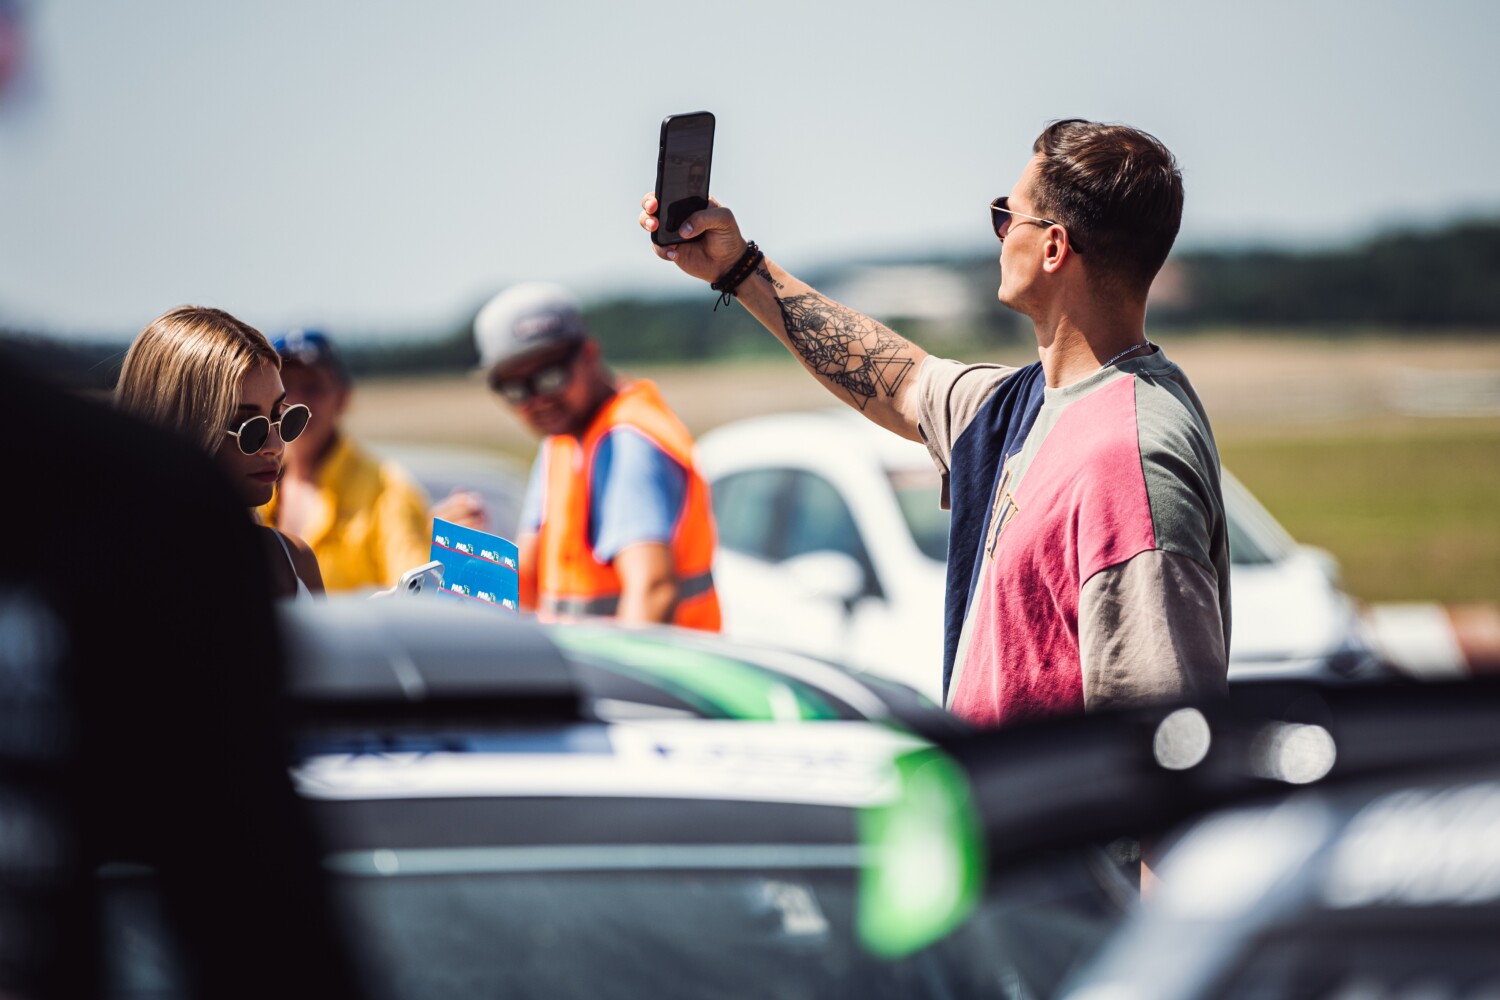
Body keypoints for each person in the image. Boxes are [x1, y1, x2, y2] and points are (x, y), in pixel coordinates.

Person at [639, 119, 1229, 725]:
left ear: (1053, 248)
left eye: (1008, 217)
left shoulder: (1126, 459)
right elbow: (895, 378)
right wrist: (738, 268)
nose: (1000, 235)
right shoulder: (1021, 405)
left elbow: (1158, 737)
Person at [0, 350, 361, 999]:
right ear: (180, 423)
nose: (275, 445)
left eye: (286, 420)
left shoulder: (266, 550)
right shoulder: (102, 534)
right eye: (249, 426)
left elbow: (254, 855)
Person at [473, 282, 720, 630]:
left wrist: (613, 671)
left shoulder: (628, 441)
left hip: (651, 665)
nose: (538, 400)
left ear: (589, 354)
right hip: (576, 659)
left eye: (550, 377)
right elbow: (526, 590)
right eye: (514, 389)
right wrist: (463, 556)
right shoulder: (559, 444)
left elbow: (653, 592)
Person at [115, 305, 324, 600]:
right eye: (247, 427)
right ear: (175, 428)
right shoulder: (105, 575)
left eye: (280, 416)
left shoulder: (295, 562)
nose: (276, 446)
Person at [260, 328, 484, 592]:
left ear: (342, 398)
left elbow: (413, 598)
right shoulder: (254, 488)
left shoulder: (388, 490)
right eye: (285, 390)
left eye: (313, 388)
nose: (298, 402)